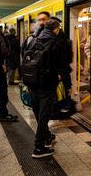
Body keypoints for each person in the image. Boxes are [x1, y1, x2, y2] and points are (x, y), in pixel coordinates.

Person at [27, 19, 67, 158]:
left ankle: (46, 136)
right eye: (58, 28)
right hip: (47, 84)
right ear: (55, 29)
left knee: (39, 113)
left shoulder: (34, 39)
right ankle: (38, 147)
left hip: (32, 82)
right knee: (44, 115)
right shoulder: (55, 42)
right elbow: (61, 64)